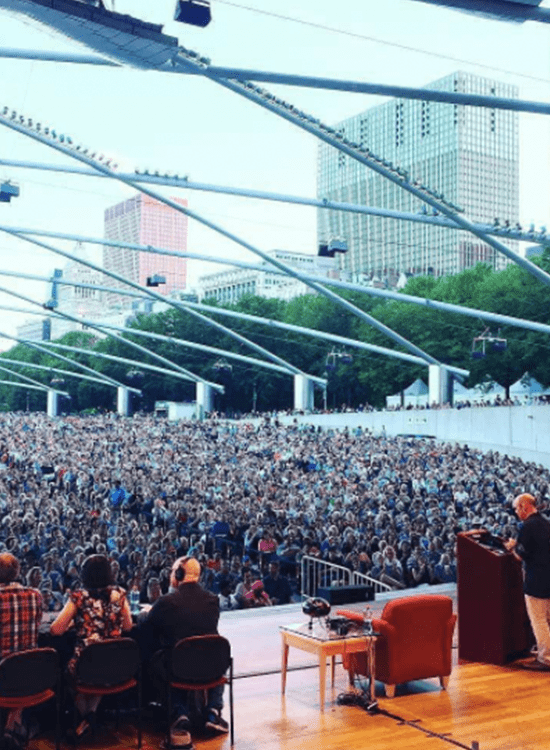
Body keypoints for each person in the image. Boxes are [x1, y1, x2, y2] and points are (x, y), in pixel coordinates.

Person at [138, 556, 229, 737]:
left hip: (180, 668)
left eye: (173, 571)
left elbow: (147, 626)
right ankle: (213, 711)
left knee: (159, 659)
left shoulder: (167, 602)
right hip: (211, 667)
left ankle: (179, 712)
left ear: (179, 574)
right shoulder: (213, 600)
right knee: (212, 657)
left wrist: (145, 613)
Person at [50, 554, 133, 735]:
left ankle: (85, 717)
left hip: (85, 665)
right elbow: (128, 626)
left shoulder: (79, 597)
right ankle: (91, 717)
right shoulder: (120, 594)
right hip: (116, 665)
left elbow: (56, 630)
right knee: (100, 667)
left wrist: (76, 621)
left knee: (70, 671)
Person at [0, 552, 43, 740]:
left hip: (3, 674)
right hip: (30, 672)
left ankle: (10, 728)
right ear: (18, 572)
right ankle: (13, 725)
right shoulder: (35, 595)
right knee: (19, 670)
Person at [505, 493, 550, 671]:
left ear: (524, 506)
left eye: (516, 508)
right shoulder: (545, 522)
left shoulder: (527, 526)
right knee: (547, 618)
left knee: (539, 620)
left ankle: (545, 658)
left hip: (536, 579)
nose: (516, 512)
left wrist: (512, 547)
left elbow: (520, 556)